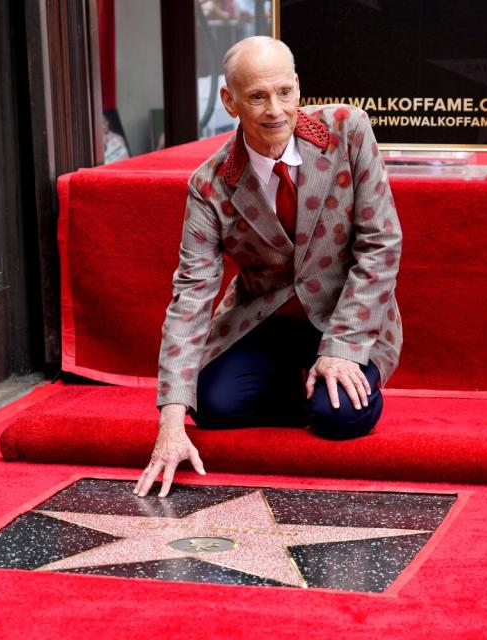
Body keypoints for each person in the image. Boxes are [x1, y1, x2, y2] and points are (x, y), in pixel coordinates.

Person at [134, 36, 403, 498]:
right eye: (257, 96)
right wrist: (171, 420)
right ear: (229, 101)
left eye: (284, 92)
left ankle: (325, 376)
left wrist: (342, 348)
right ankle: (302, 379)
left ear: (298, 87)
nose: (275, 110)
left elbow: (381, 243)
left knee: (340, 418)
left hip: (345, 314)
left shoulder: (348, 130)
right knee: (213, 407)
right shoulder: (211, 183)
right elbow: (192, 294)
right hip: (266, 319)